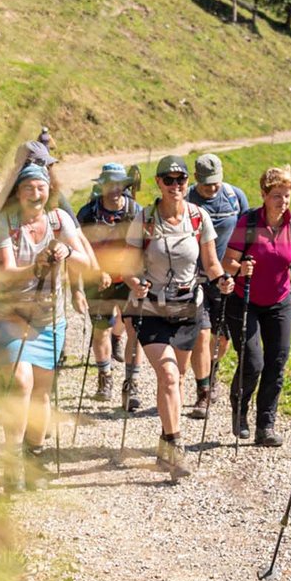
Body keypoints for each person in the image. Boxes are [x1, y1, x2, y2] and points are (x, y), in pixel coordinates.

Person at [127, 155, 235, 480]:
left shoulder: (199, 217)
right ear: (158, 183)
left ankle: (164, 439)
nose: (176, 185)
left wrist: (222, 280)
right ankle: (176, 448)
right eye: (169, 180)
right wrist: (135, 282)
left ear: (188, 182)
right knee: (169, 374)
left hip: (188, 307)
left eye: (181, 180)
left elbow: (211, 263)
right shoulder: (144, 219)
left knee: (178, 377)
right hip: (153, 308)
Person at [0, 163, 94, 472]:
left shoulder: (59, 220)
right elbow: (7, 273)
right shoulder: (3, 224)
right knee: (20, 383)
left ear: (50, 190)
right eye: (28, 188)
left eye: (41, 187)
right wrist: (36, 267)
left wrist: (65, 253)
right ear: (17, 193)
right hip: (10, 316)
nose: (35, 194)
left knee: (41, 394)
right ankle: (12, 463)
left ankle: (33, 457)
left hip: (49, 320)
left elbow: (86, 263)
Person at [224, 165, 291, 446]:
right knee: (252, 361)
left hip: (279, 302)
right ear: (264, 195)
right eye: (277, 196)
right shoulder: (248, 223)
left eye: (287, 195)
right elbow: (227, 262)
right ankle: (240, 411)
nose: (283, 201)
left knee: (276, 363)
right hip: (245, 300)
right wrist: (241, 268)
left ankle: (265, 426)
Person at [185, 152, 249, 420]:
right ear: (196, 179)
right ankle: (202, 391)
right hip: (195, 279)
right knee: (201, 334)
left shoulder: (235, 197)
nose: (212, 188)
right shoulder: (187, 198)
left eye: (216, 182)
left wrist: (244, 265)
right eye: (206, 184)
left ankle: (211, 370)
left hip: (226, 280)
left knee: (221, 339)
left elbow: (247, 232)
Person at [75, 163, 145, 408]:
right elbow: (78, 247)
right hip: (98, 279)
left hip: (129, 279)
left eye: (119, 185)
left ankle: (132, 382)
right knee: (101, 329)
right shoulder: (87, 214)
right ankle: (105, 378)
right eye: (109, 185)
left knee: (134, 330)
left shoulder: (137, 212)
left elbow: (146, 246)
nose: (114, 190)